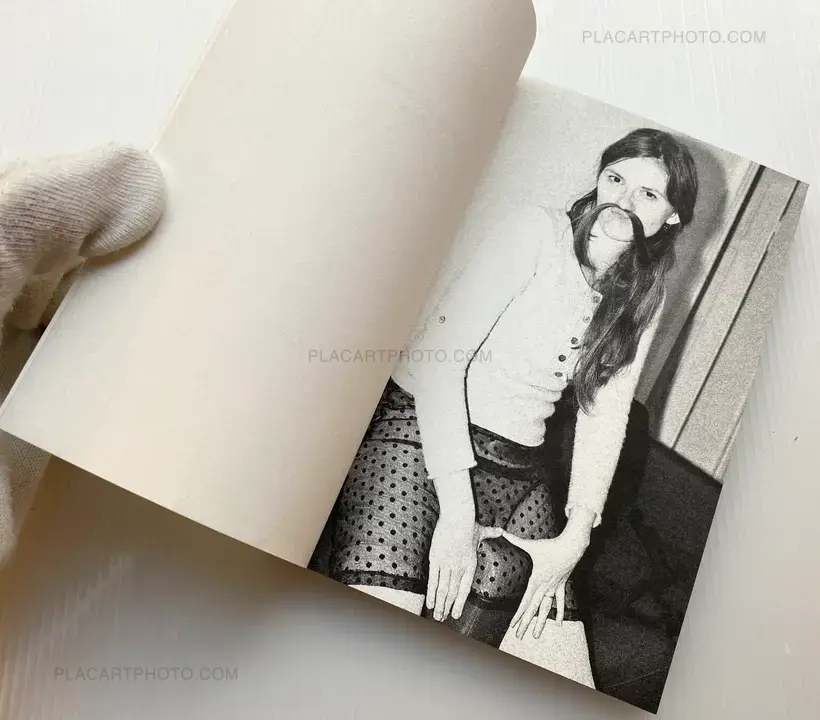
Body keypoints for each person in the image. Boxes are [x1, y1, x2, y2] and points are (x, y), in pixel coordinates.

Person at [312, 127, 698, 686]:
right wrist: (457, 513)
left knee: (567, 676)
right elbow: (441, 362)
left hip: (519, 469)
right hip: (419, 436)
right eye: (616, 179)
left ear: (672, 217)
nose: (623, 200)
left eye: (649, 193)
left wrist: (576, 536)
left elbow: (605, 414)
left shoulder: (645, 295)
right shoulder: (535, 231)